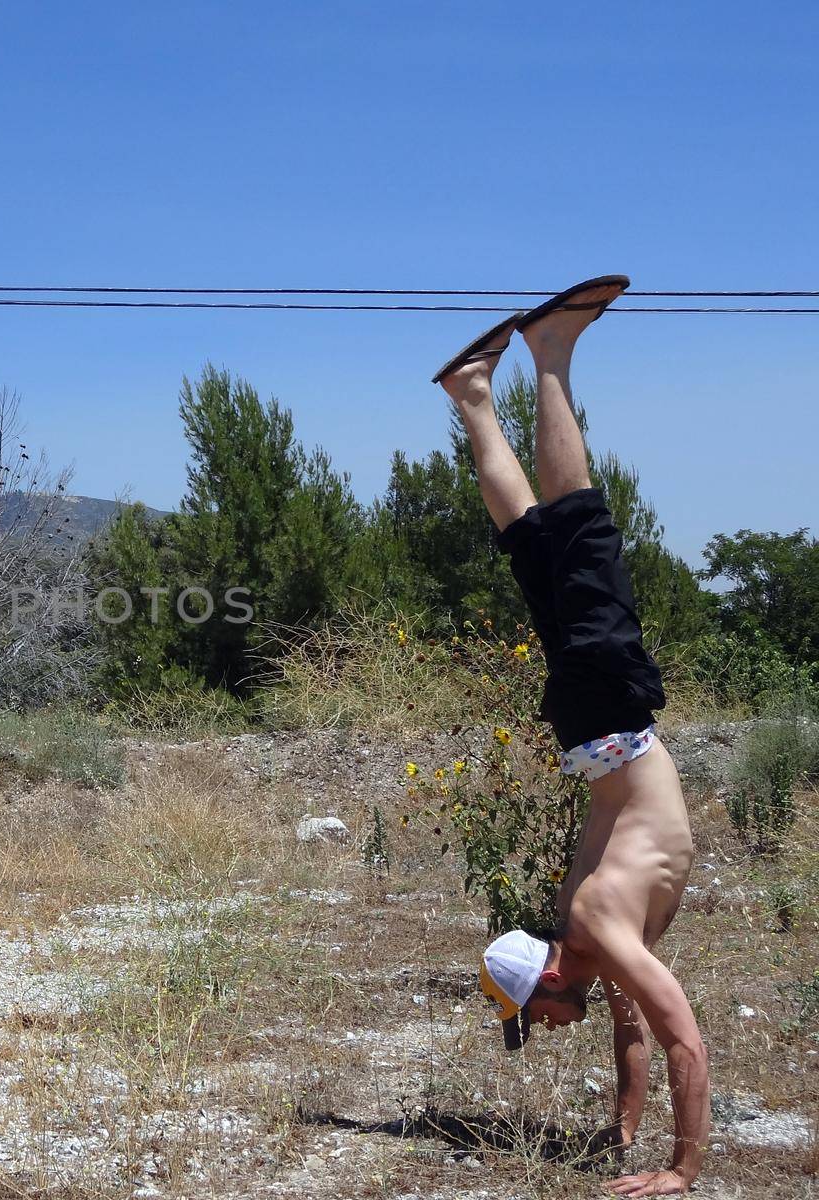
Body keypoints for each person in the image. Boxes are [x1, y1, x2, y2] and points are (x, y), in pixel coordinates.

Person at [432, 276, 709, 1197]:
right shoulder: (589, 936)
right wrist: (624, 1135)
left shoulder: (591, 924)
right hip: (591, 737)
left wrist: (682, 1169)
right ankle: (473, 394)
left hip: (614, 721)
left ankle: (551, 352)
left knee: (577, 533)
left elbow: (683, 1036)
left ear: (550, 976)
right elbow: (634, 1026)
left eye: (532, 1015)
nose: (544, 1030)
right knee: (536, 553)